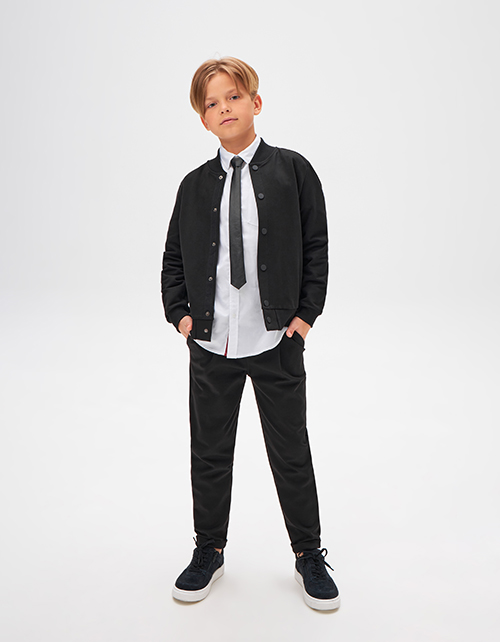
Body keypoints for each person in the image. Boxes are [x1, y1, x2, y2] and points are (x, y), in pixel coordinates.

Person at [161, 56, 340, 611]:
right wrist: (182, 317)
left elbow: (316, 246)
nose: (224, 108)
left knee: (291, 451)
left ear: (255, 102)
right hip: (212, 344)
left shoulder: (293, 171)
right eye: (211, 103)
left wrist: (304, 318)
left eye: (233, 97)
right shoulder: (193, 186)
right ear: (203, 119)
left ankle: (308, 553)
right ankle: (208, 549)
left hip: (275, 341)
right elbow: (173, 258)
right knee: (210, 453)